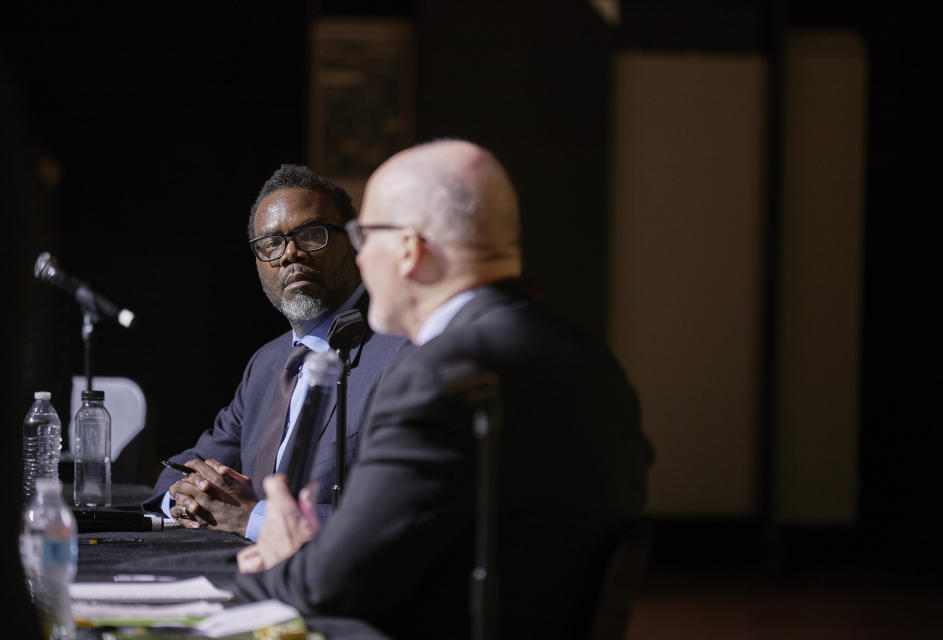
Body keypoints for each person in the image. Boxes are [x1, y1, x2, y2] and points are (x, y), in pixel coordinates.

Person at [234, 140, 654, 638]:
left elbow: (331, 587)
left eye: (364, 237)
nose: (360, 259)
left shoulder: (436, 381)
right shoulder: (592, 358)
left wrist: (283, 554)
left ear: (409, 250)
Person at [143, 165, 410, 540]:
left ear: (354, 243)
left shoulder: (401, 353)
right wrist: (185, 497)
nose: (290, 254)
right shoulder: (267, 363)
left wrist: (254, 518)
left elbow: (398, 516)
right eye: (271, 244)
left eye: (310, 235)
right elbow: (188, 467)